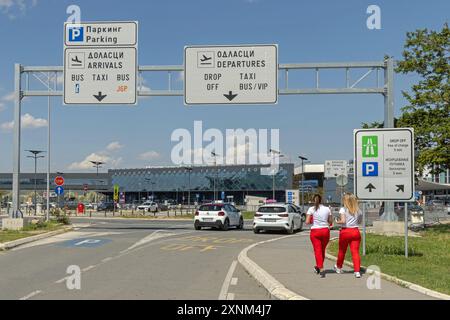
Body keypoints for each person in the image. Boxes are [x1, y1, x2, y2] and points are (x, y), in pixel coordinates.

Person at [334, 193, 362, 278]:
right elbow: (359, 222)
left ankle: (339, 267)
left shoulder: (343, 209)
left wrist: (336, 221)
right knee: (355, 252)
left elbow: (343, 221)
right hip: (355, 231)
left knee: (342, 251)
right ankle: (357, 271)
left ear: (346, 200)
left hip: (345, 231)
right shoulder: (358, 210)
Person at [306, 194, 333, 278]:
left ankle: (320, 267)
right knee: (322, 250)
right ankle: (318, 266)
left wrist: (312, 220)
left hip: (315, 231)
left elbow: (307, 222)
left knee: (317, 250)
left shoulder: (311, 209)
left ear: (314, 200)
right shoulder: (327, 209)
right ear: (321, 200)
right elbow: (330, 221)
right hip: (325, 231)